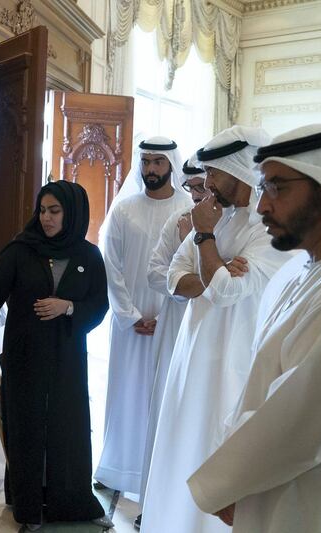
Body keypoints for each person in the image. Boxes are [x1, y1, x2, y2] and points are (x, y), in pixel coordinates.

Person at [187, 124, 321, 533]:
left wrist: (225, 483)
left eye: (276, 188)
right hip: (267, 485)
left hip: (309, 500)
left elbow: (297, 426)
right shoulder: (310, 271)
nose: (261, 207)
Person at [141, 125, 288, 533]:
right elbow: (174, 277)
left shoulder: (265, 228)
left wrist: (205, 240)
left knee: (216, 448)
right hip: (192, 353)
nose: (206, 184)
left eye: (213, 174)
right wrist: (217, 268)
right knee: (183, 445)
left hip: (235, 359)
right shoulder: (216, 214)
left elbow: (225, 293)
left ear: (238, 170)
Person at [0, 180, 113, 530]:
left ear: (71, 213)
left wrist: (68, 307)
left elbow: (99, 305)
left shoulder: (88, 256)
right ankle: (28, 507)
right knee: (25, 428)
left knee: (66, 428)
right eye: (42, 210)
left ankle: (70, 502)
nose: (46, 218)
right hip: (25, 354)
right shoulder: (21, 250)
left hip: (67, 358)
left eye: (54, 211)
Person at [94, 137, 192, 495]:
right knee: (126, 391)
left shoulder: (187, 208)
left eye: (158, 162)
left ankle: (156, 475)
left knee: (163, 393)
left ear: (170, 166)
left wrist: (164, 315)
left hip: (173, 316)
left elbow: (189, 266)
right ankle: (118, 468)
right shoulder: (124, 210)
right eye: (147, 162)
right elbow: (111, 264)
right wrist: (131, 314)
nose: (151, 169)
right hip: (129, 322)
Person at [135, 158, 213, 528]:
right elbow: (155, 274)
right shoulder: (179, 221)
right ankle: (156, 504)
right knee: (168, 408)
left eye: (204, 188)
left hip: (216, 334)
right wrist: (199, 271)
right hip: (176, 328)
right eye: (193, 188)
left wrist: (194, 275)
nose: (197, 196)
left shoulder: (238, 224)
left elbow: (236, 282)